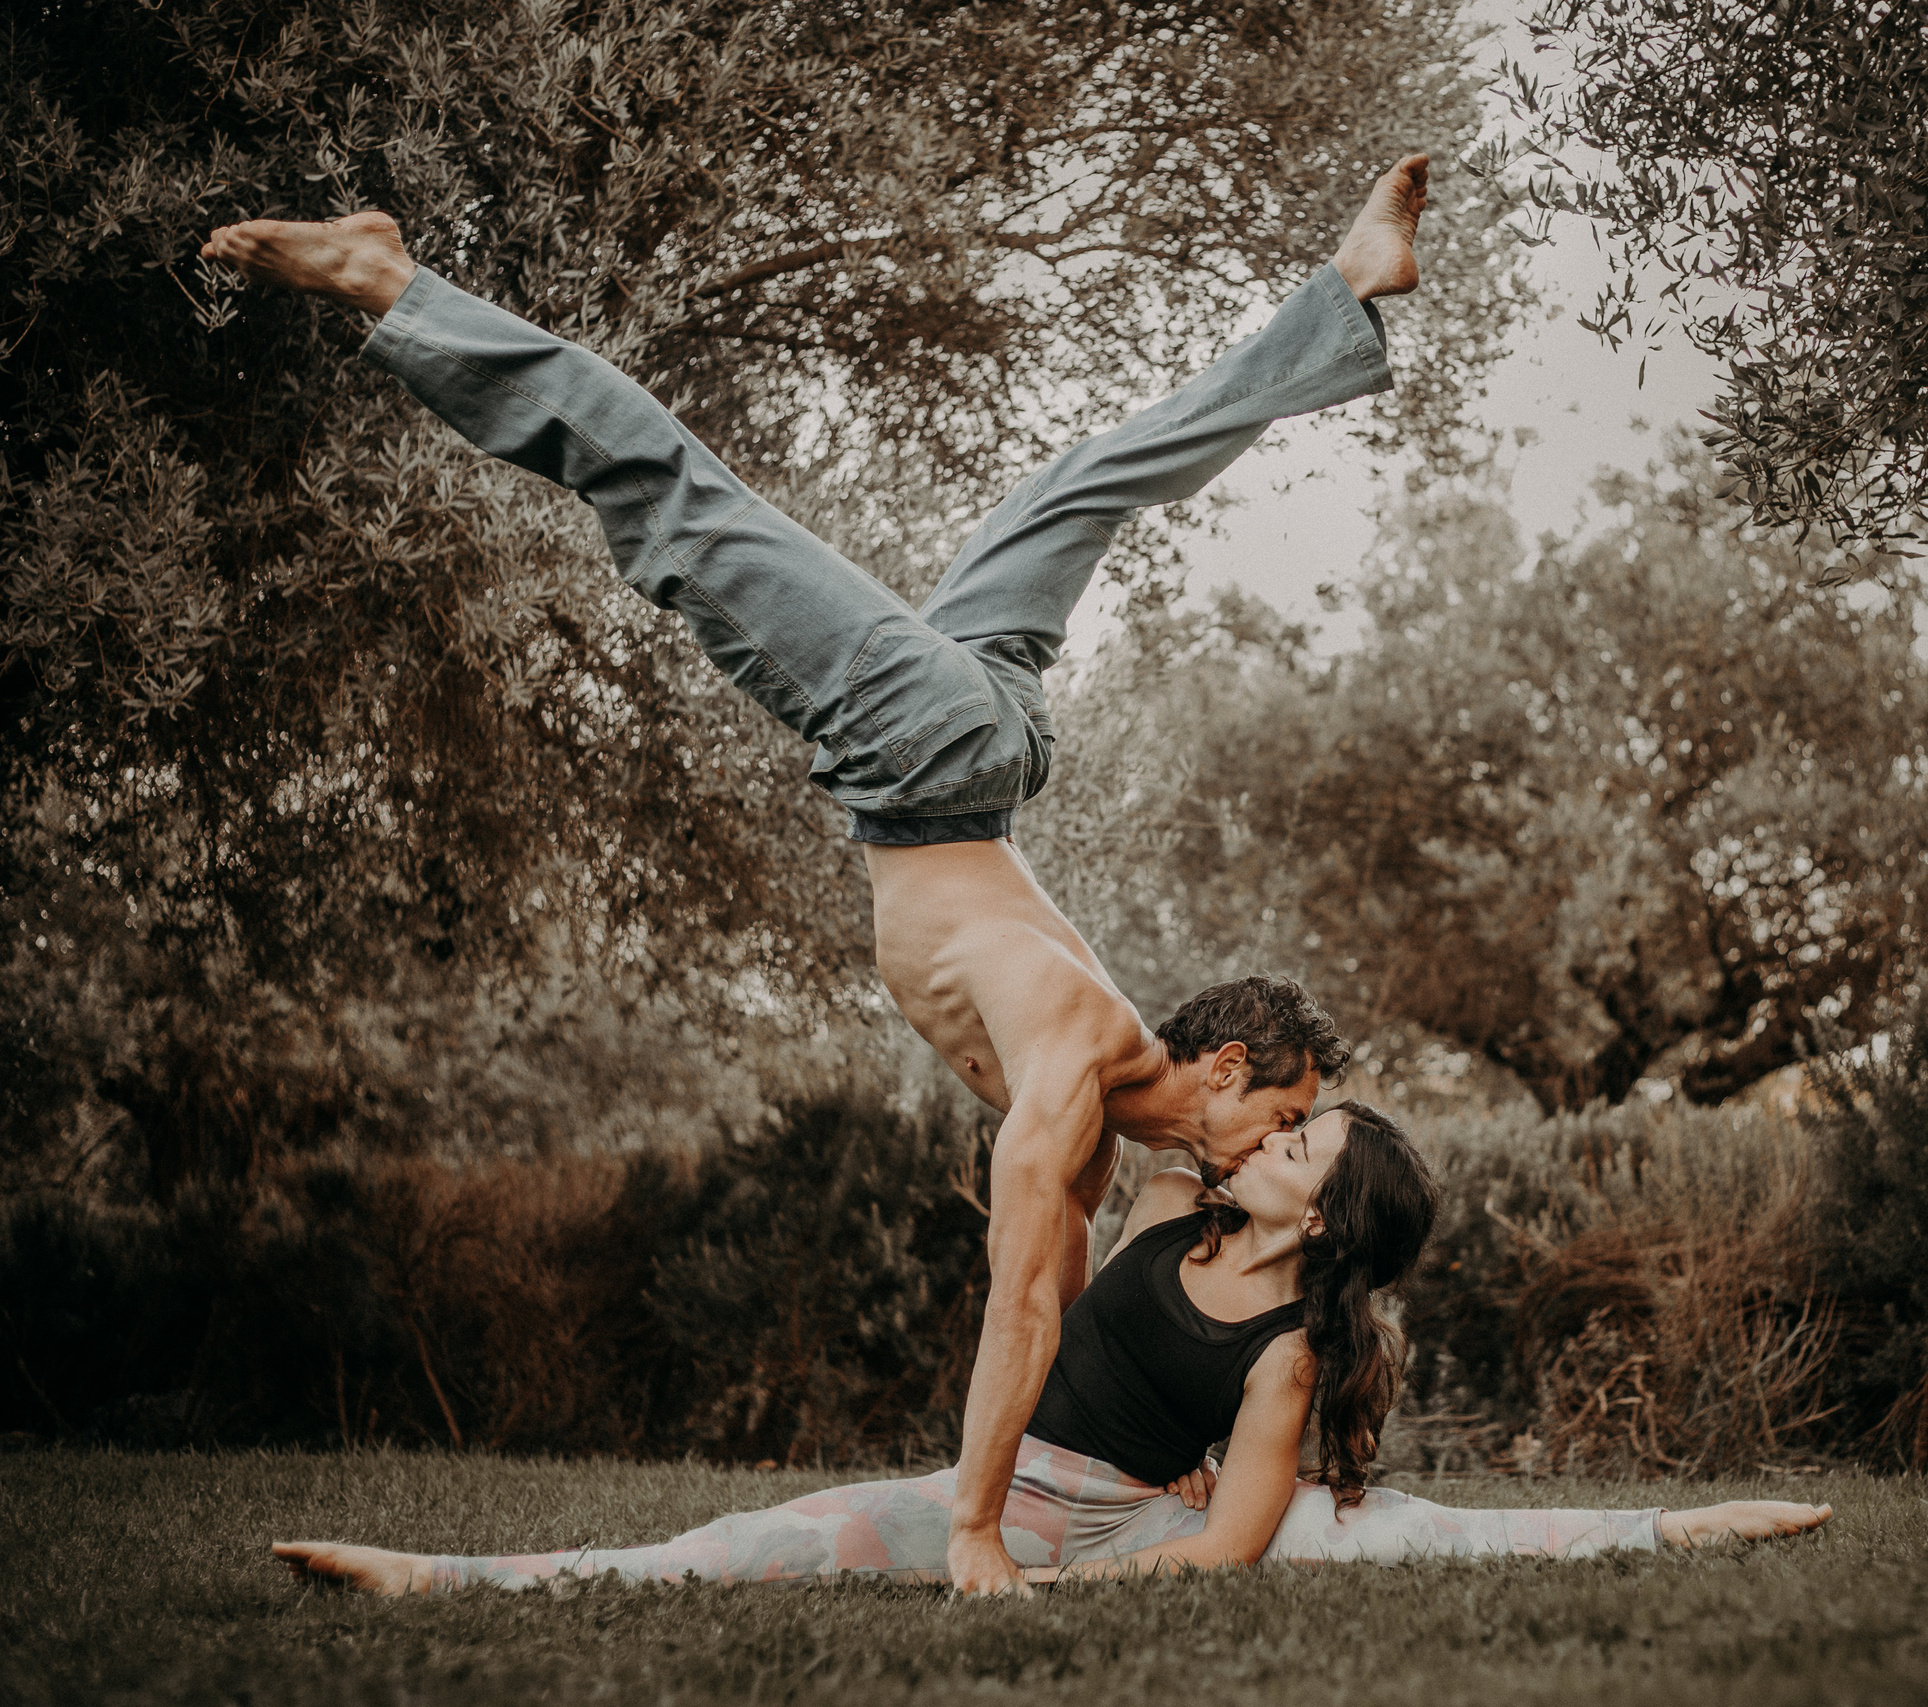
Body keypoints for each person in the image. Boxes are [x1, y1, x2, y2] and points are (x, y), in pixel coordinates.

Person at [204, 156, 1437, 1593]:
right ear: (1222, 1069)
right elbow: (1019, 1321)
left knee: (1091, 481)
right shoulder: (1071, 1076)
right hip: (928, 755)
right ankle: (386, 281)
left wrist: (1186, 1451)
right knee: (676, 496)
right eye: (1280, 1121)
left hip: (982, 743)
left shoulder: (1103, 1121)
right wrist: (974, 1533)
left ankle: (1345, 293)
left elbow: (1093, 1323)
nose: (1255, 1159)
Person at [271, 1103, 1833, 1593]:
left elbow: (1223, 1548)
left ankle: (1683, 1522)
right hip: (1007, 1482)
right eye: (1283, 1120)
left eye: (1299, 1141)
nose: (1272, 1135)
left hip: (1126, 1521)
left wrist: (1059, 1591)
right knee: (737, 1541)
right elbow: (1147, 1080)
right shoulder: (1172, 1203)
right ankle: (438, 1578)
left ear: (1329, 1214)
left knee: (1405, 1536)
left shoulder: (1290, 1347)